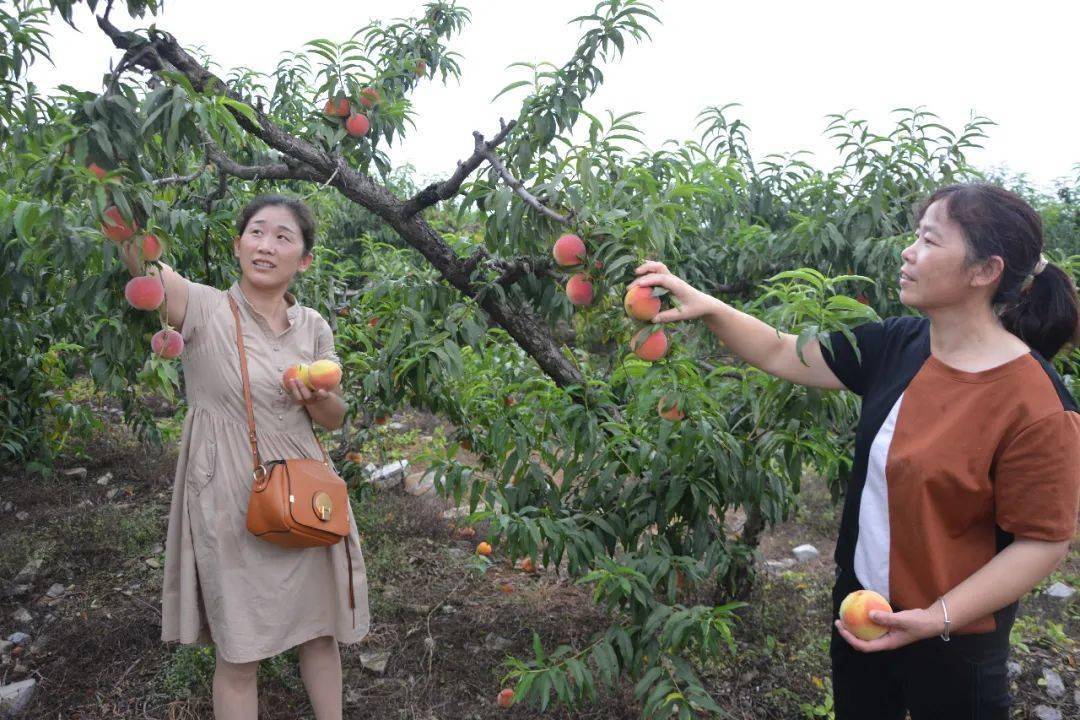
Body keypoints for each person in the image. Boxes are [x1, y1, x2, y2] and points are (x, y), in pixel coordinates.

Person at [629, 182, 1079, 719]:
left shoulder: (1038, 403)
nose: (908, 252)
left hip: (955, 639)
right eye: (916, 237)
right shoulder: (898, 344)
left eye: (930, 241)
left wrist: (937, 617)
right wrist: (706, 306)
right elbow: (781, 350)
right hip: (861, 612)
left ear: (985, 271)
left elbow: (1041, 543)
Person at [116, 194, 371, 720]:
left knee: (321, 634)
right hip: (229, 491)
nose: (266, 246)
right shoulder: (205, 307)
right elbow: (145, 267)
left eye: (283, 237)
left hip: (305, 488)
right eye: (256, 232)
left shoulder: (313, 326)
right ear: (237, 246)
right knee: (240, 653)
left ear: (303, 259)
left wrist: (318, 396)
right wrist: (113, 197)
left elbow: (335, 417)